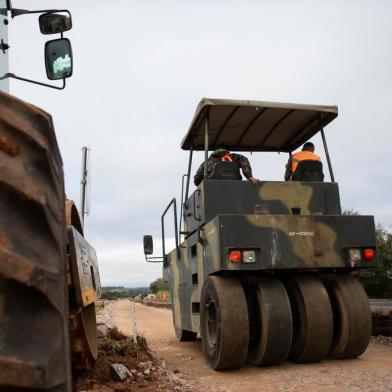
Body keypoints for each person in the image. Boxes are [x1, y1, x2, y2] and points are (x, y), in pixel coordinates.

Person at [194, 148, 258, 186]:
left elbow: (197, 179)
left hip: (213, 189)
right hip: (235, 187)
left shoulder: (206, 163)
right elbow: (243, 160)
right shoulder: (232, 157)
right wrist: (249, 176)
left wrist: (203, 185)